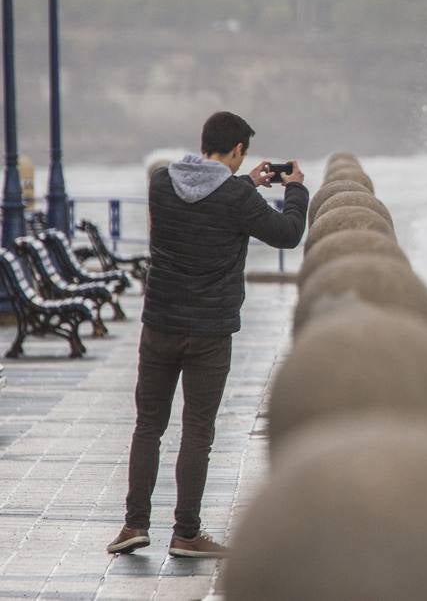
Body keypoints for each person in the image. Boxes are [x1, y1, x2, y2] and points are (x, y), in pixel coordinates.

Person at [107, 111, 307, 558]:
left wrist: (247, 184)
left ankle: (133, 525)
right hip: (209, 333)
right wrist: (293, 187)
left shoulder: (160, 183)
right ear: (237, 151)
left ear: (204, 143)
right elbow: (289, 234)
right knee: (197, 430)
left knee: (148, 426)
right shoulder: (237, 198)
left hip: (159, 324)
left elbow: (203, 199)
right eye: (243, 157)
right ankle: (186, 533)